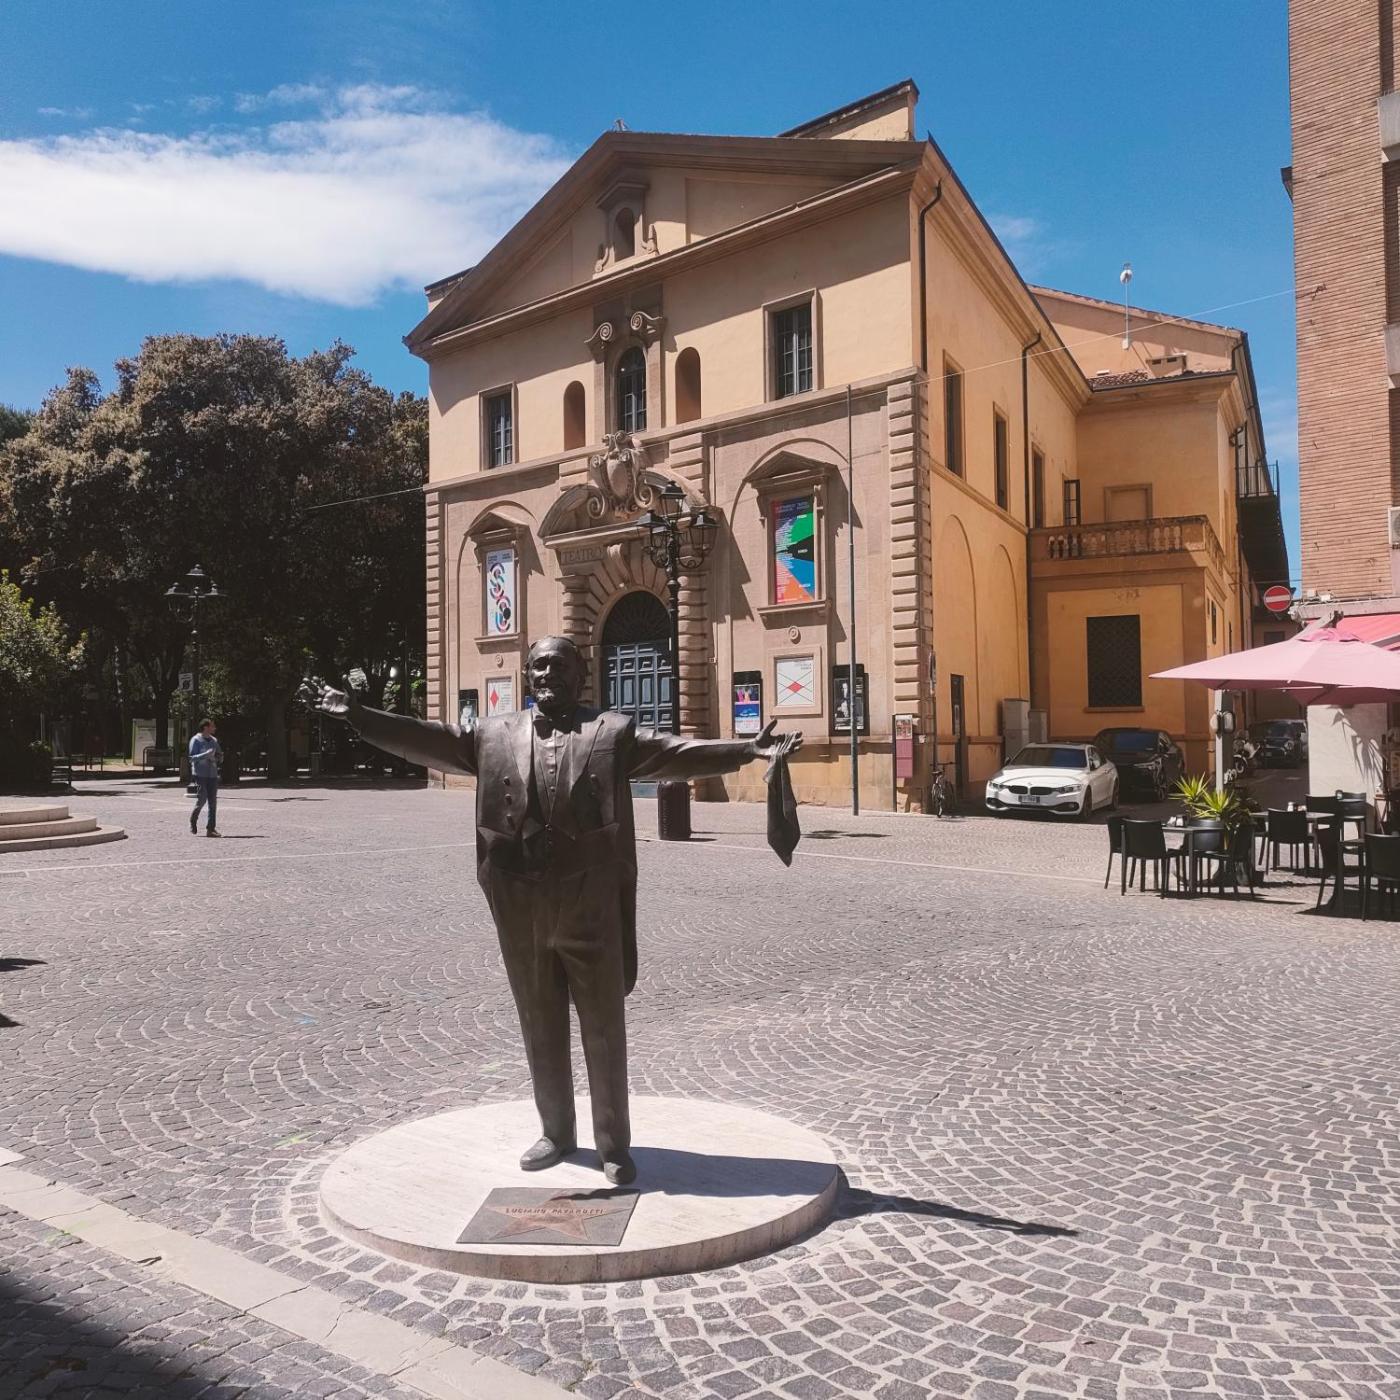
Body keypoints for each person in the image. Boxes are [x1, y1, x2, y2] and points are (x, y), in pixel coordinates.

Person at [302, 636, 800, 1185]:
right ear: (526, 675)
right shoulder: (491, 733)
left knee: (603, 1029)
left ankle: (613, 1143)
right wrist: (360, 716)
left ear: (580, 675)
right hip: (522, 904)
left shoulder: (611, 731)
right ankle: (556, 1132)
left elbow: (674, 753)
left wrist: (744, 751)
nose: (547, 674)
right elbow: (426, 739)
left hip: (590, 902)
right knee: (539, 1024)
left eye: (559, 665)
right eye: (538, 665)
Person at [188, 719, 222, 837]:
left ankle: (211, 829)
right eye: (212, 726)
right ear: (206, 727)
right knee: (202, 799)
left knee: (213, 802)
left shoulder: (214, 741)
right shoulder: (196, 740)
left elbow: (220, 756)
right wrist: (205, 755)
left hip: (212, 775)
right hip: (200, 774)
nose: (214, 728)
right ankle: (193, 819)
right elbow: (191, 758)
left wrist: (216, 758)